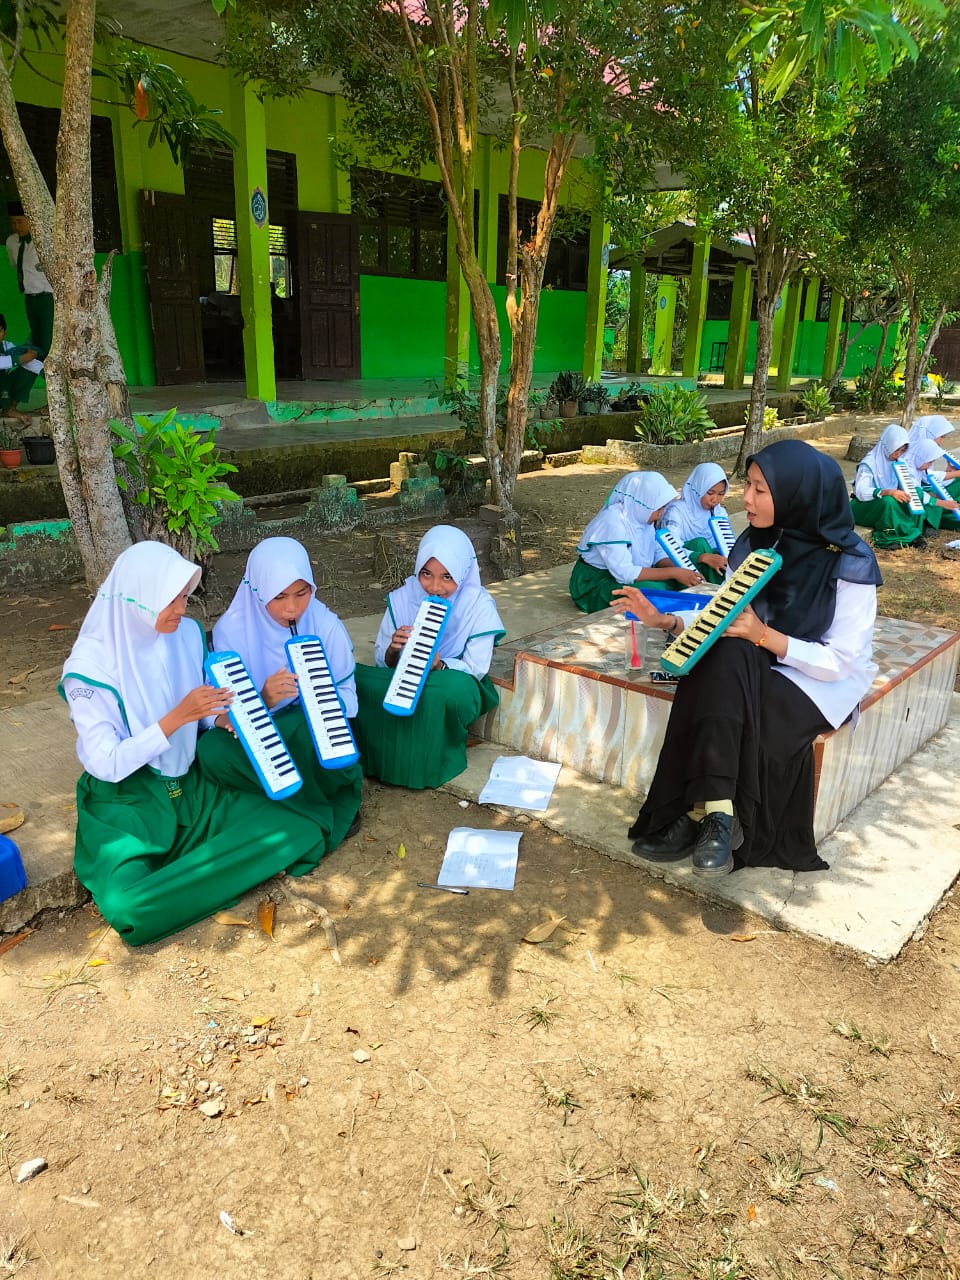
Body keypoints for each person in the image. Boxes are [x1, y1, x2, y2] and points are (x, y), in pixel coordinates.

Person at [613, 439, 881, 877]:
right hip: (758, 654)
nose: (746, 498)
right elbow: (725, 617)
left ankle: (699, 815)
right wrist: (665, 622)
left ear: (796, 493)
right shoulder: (757, 543)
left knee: (738, 694)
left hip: (818, 675)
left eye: (760, 489)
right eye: (748, 486)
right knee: (721, 659)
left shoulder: (848, 563)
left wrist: (764, 636)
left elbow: (841, 661)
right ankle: (719, 815)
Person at [59, 541, 328, 947]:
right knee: (127, 906)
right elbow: (106, 762)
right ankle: (210, 871)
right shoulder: (89, 668)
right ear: (139, 598)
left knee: (299, 827)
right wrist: (176, 718)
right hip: (127, 803)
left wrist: (218, 718)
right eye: (171, 601)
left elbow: (199, 710)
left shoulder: (184, 635)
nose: (182, 610)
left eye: (185, 597)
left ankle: (185, 881)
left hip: (191, 790)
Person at [198, 537, 363, 861]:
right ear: (257, 592)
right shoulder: (230, 631)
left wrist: (319, 700)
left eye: (302, 594)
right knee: (211, 751)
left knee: (310, 731)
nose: (292, 608)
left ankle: (305, 810)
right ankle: (299, 807)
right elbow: (213, 708)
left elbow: (349, 698)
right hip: (260, 726)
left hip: (306, 726)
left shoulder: (325, 624)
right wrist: (263, 699)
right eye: (279, 597)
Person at [353, 525, 505, 789]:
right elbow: (382, 662)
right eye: (426, 574)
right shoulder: (403, 598)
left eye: (447, 577)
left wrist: (440, 664)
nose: (435, 587)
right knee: (355, 680)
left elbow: (476, 669)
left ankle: (422, 762)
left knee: (444, 693)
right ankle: (379, 758)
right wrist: (393, 651)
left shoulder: (478, 605)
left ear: (463, 572)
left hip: (452, 680)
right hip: (401, 675)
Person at [569, 471, 703, 613]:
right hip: (595, 584)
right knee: (652, 592)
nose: (661, 513)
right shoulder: (613, 522)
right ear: (643, 502)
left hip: (619, 577)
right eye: (659, 508)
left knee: (677, 583)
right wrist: (673, 572)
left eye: (663, 507)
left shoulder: (641, 516)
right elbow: (625, 573)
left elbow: (656, 551)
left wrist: (682, 569)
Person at [851, 423, 926, 549]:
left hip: (886, 502)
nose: (898, 454)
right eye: (896, 449)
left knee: (916, 492)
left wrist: (904, 488)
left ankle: (912, 533)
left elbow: (910, 483)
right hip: (863, 507)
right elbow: (861, 492)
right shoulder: (869, 463)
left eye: (902, 451)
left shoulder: (898, 462)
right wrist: (888, 492)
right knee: (888, 501)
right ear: (887, 445)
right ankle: (905, 536)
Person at [658, 462, 731, 584]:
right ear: (697, 489)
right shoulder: (676, 511)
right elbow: (669, 548)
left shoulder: (719, 512)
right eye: (710, 493)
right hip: (683, 564)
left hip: (714, 563)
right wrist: (703, 557)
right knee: (699, 543)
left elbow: (725, 546)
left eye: (721, 494)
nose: (715, 499)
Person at [6, 200, 53, 372]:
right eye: (12, 222)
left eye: (20, 221)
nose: (16, 226)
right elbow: (14, 264)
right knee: (38, 343)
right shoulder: (12, 242)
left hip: (48, 299)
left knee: (49, 344)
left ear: (30, 220)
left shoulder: (44, 242)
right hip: (29, 298)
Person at [0, 312, 41, 426]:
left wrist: (44, 372)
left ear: (5, 333)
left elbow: (28, 362)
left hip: (3, 390)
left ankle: (10, 409)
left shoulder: (7, 346)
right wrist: (21, 358)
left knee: (28, 371)